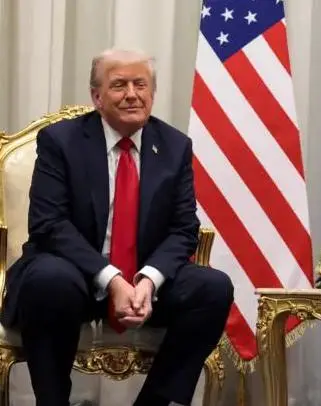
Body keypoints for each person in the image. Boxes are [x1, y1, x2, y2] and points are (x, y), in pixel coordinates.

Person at [0, 48, 234, 406]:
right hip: (73, 275)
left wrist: (148, 280)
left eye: (141, 84)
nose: (132, 94)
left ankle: (153, 402)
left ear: (152, 93)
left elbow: (184, 228)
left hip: (142, 279)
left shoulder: (174, 146)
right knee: (49, 279)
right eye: (119, 85)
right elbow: (49, 224)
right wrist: (112, 279)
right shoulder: (60, 141)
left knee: (213, 288)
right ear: (97, 96)